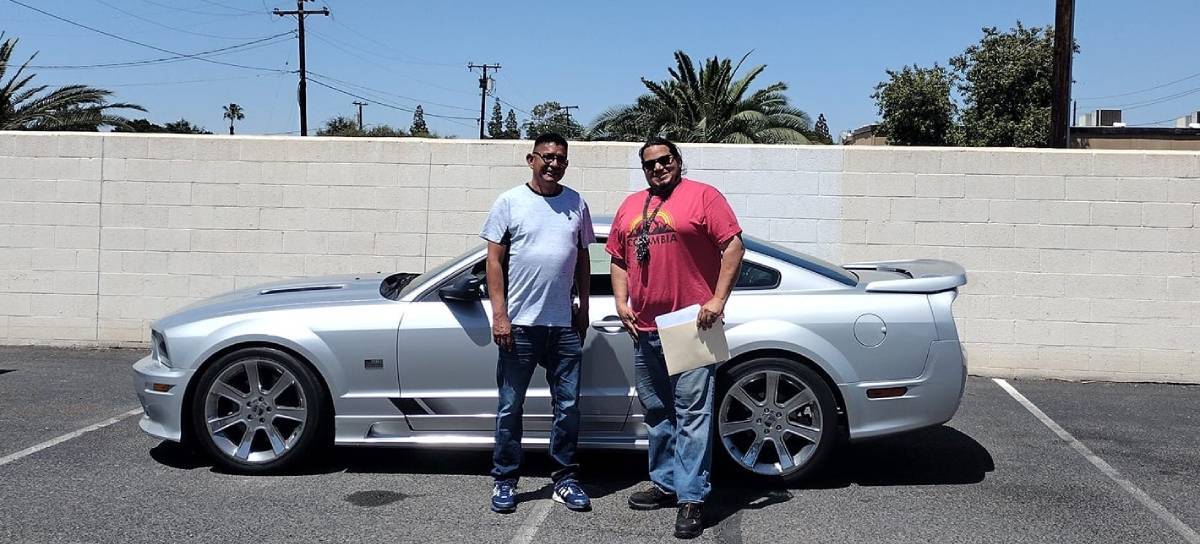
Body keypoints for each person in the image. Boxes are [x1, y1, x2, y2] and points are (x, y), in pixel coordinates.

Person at [605, 137, 745, 539]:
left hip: (690, 327)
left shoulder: (704, 197)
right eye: (650, 164)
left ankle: (691, 498)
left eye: (665, 160)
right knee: (657, 412)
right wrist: (621, 301)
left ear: (678, 161)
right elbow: (617, 258)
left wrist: (718, 299)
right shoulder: (632, 205)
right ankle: (666, 483)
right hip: (644, 327)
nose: (658, 168)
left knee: (692, 414)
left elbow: (733, 246)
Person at [479, 132, 595, 514]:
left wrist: (583, 309)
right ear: (531, 159)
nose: (553, 163)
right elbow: (493, 262)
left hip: (562, 326)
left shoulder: (576, 203)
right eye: (546, 156)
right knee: (511, 406)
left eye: (560, 158)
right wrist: (500, 315)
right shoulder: (510, 202)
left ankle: (564, 478)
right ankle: (505, 480)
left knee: (568, 406)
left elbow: (582, 259)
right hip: (520, 326)